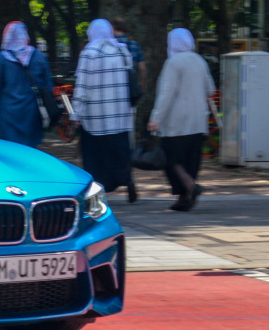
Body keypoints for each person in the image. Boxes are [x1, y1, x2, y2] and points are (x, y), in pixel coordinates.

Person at [147, 29, 217, 211]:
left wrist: (156, 118)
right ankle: (184, 198)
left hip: (176, 121)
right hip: (198, 120)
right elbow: (210, 89)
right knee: (191, 160)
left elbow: (166, 94)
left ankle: (191, 187)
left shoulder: (173, 62)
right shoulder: (199, 60)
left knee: (172, 159)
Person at [73, 19, 138, 202]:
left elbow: (82, 85)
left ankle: (96, 190)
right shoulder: (122, 50)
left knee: (95, 157)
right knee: (120, 152)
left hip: (96, 115)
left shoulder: (89, 52)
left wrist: (75, 112)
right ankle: (127, 180)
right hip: (120, 114)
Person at [0, 21, 53, 147]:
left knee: (9, 150)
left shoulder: (1, 58)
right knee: (30, 150)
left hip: (7, 114)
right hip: (32, 113)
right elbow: (48, 86)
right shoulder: (39, 56)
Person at [112, 17, 147, 91]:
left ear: (113, 27)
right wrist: (142, 83)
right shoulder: (135, 45)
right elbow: (142, 68)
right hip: (131, 86)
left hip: (114, 85)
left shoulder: (109, 45)